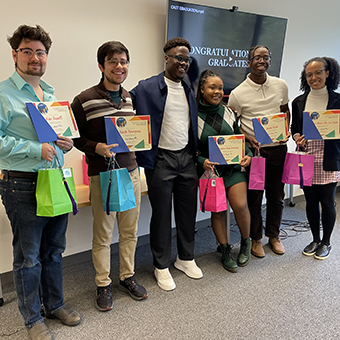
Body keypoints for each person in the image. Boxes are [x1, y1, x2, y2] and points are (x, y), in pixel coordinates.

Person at [0, 25, 80, 340]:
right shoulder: (3, 93)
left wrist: (67, 144)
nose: (35, 58)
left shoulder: (49, 93)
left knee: (54, 250)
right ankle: (33, 320)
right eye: (28, 51)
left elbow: (60, 136)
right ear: (14, 55)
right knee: (28, 256)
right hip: (21, 184)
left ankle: (55, 304)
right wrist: (37, 148)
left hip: (55, 179)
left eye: (41, 52)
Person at [71, 41, 147, 311]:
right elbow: (74, 138)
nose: (119, 66)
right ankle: (103, 284)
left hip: (130, 172)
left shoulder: (130, 97)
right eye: (113, 61)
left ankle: (127, 277)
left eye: (124, 61)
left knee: (130, 231)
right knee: (103, 234)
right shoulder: (84, 99)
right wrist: (96, 148)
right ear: (101, 65)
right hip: (103, 175)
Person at [130, 37, 203, 291]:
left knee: (187, 211)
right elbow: (125, 107)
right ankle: (160, 265)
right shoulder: (146, 87)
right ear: (166, 58)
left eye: (186, 59)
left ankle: (186, 258)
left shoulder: (187, 87)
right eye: (178, 58)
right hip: (160, 159)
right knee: (161, 214)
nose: (183, 63)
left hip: (186, 157)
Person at [228, 45, 290, 258]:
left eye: (266, 57)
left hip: (279, 150)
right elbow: (233, 127)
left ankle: (274, 235)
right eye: (257, 58)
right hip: (255, 154)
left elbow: (284, 110)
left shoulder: (281, 85)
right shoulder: (237, 93)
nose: (262, 61)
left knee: (277, 196)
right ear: (248, 62)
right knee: (254, 197)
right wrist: (248, 138)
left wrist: (287, 129)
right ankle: (256, 239)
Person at [196, 70, 252, 272]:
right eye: (212, 87)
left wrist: (248, 155)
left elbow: (239, 137)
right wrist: (201, 160)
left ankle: (245, 242)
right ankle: (225, 248)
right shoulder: (192, 116)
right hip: (211, 172)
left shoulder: (229, 112)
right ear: (202, 89)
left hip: (234, 168)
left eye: (220, 87)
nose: (217, 91)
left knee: (240, 205)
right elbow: (190, 148)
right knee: (219, 211)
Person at [291, 57, 340, 260]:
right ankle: (315, 239)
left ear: (327, 73)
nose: (313, 78)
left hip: (329, 155)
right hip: (307, 156)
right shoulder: (298, 101)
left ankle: (326, 242)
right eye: (309, 75)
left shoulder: (338, 100)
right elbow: (295, 129)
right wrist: (297, 137)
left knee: (327, 201)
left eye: (318, 72)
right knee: (310, 202)